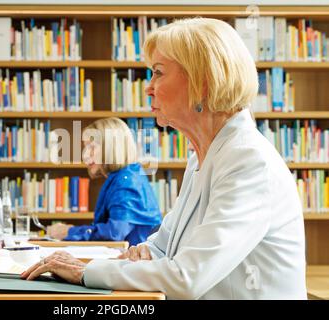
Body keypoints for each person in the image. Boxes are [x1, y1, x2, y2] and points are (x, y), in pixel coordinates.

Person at [21, 18, 307, 299]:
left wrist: (85, 271)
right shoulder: (202, 156)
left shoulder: (248, 163)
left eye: (158, 73)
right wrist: (141, 254)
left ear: (203, 81)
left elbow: (187, 277)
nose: (148, 87)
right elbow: (161, 247)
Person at [46, 117, 162, 246]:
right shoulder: (125, 176)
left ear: (112, 147)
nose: (85, 155)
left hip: (133, 262)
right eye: (85, 148)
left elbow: (115, 233)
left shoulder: (126, 181)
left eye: (92, 147)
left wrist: (70, 231)